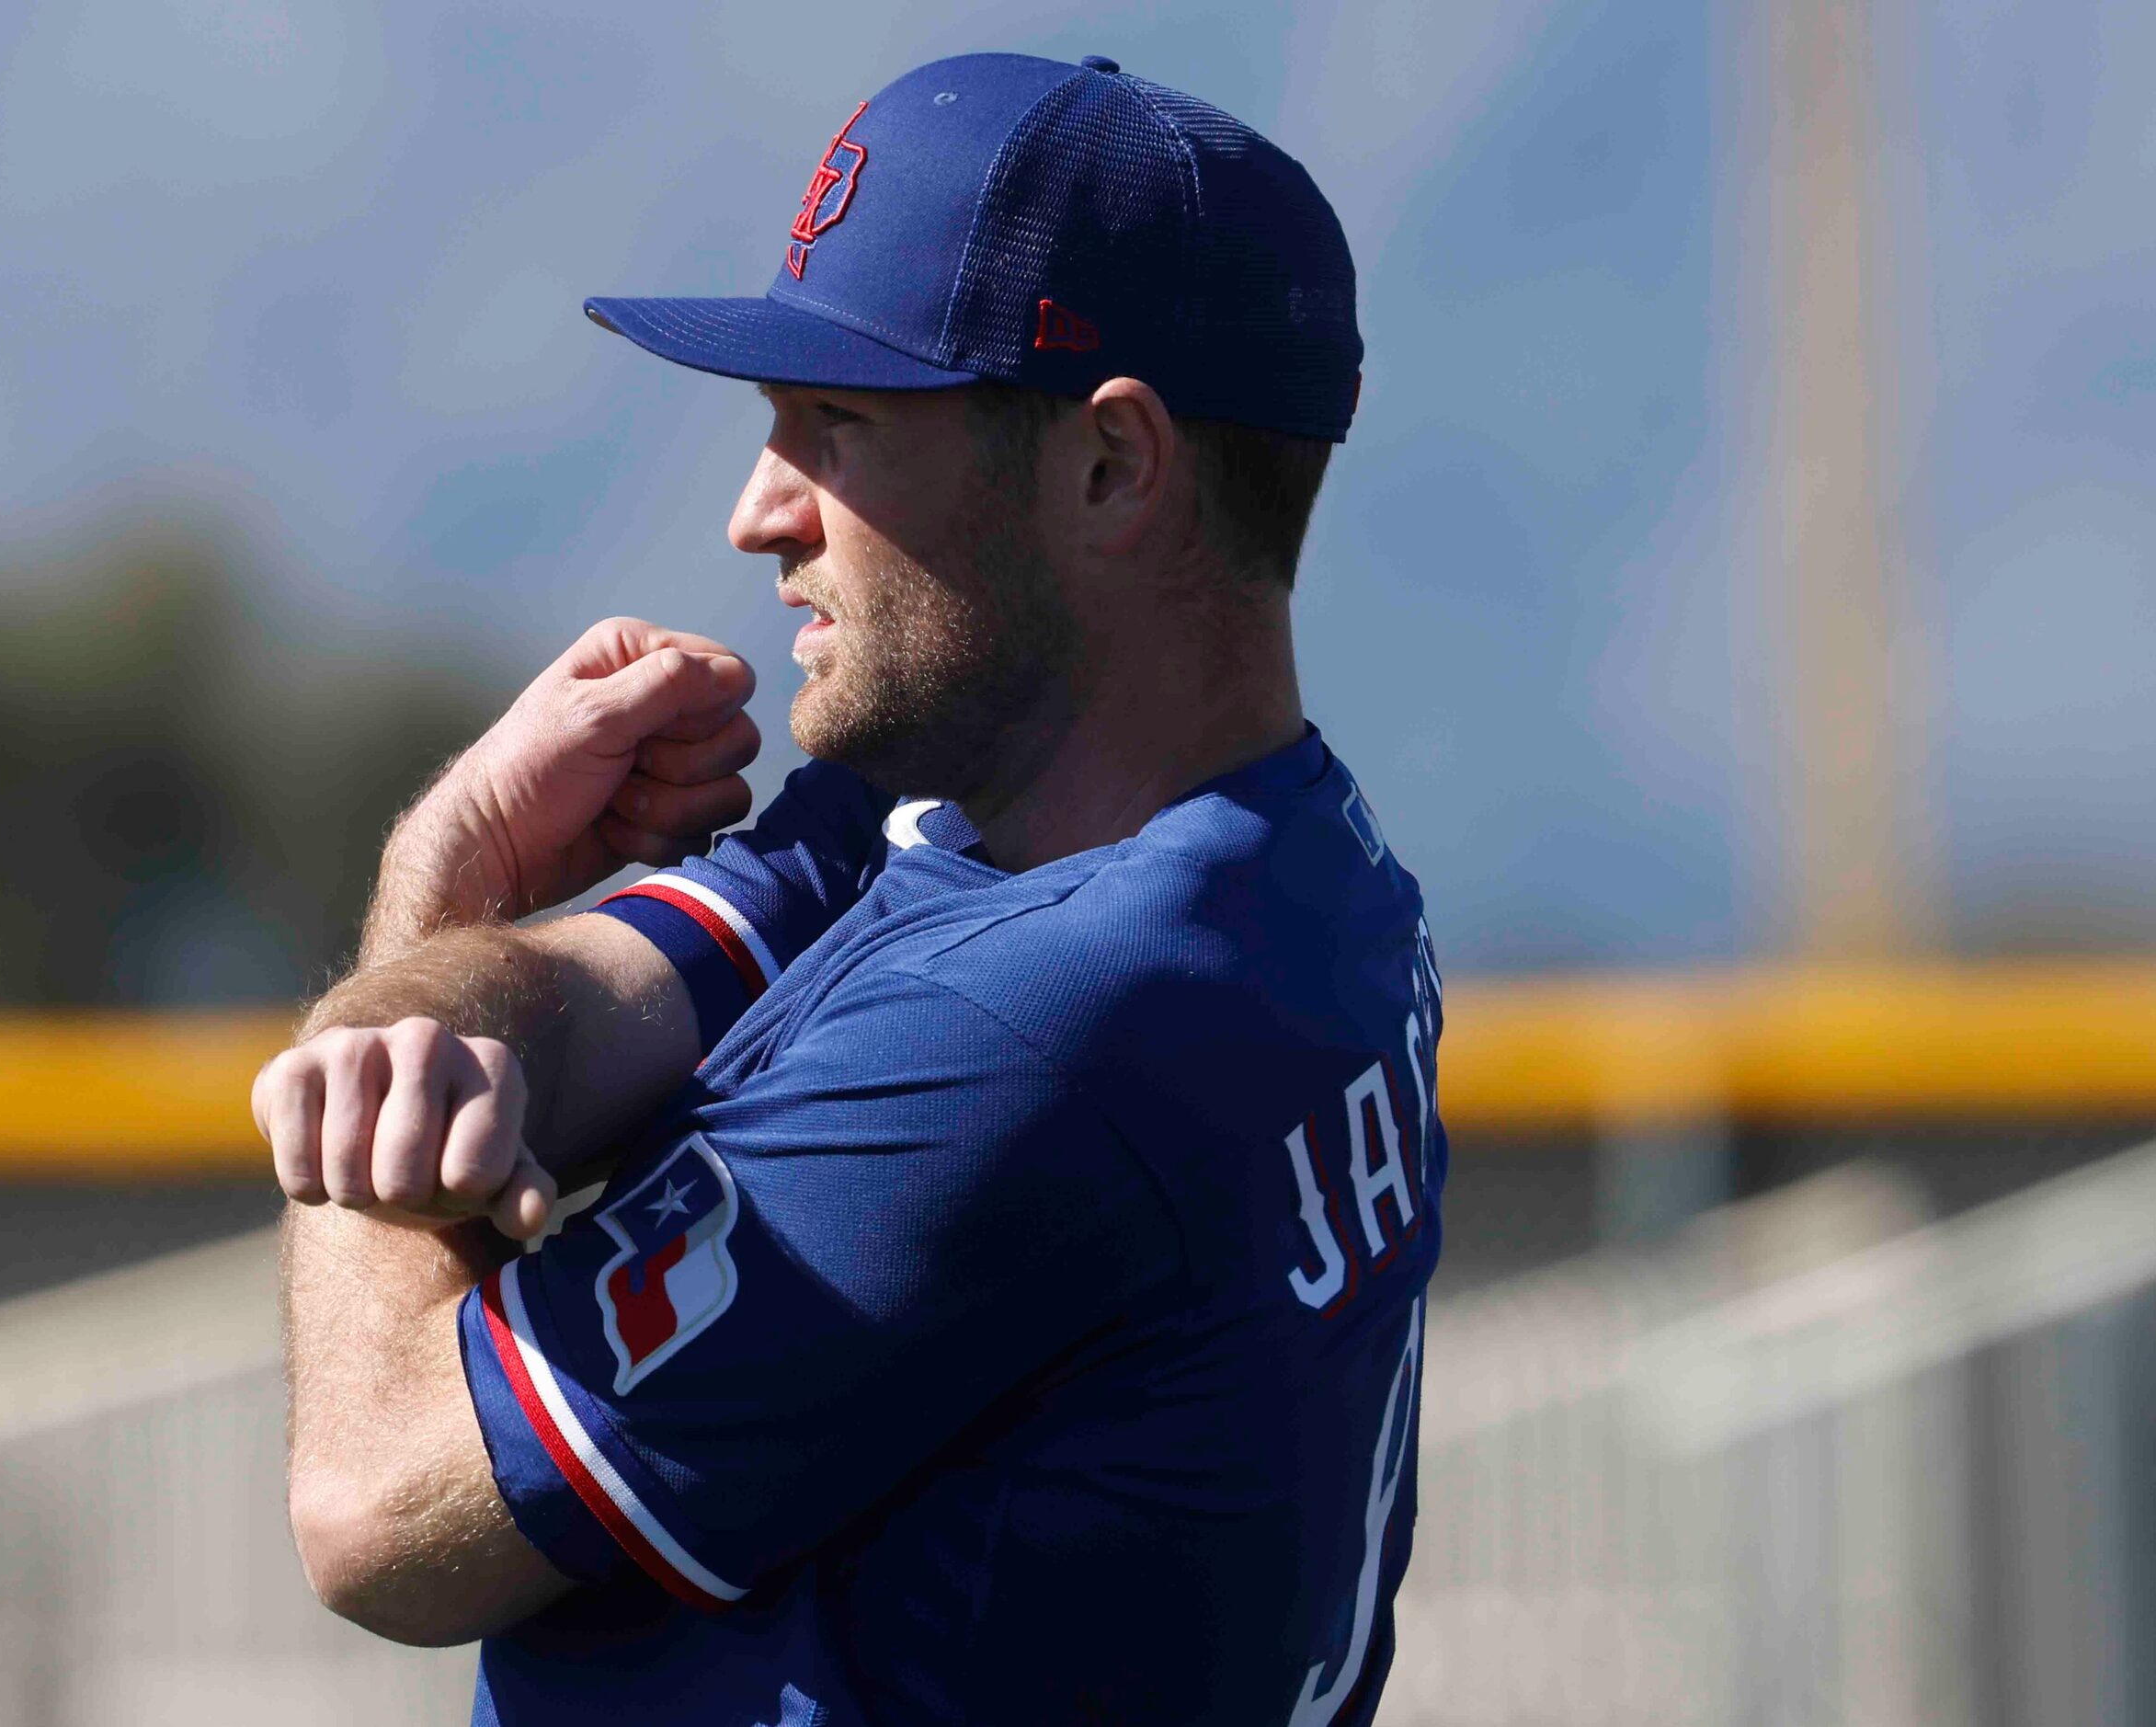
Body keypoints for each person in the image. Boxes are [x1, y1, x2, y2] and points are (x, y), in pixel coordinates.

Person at [254, 50, 1444, 1726]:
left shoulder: (1044, 1027)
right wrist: (446, 988)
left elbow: (376, 1512)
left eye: (844, 424)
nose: (759, 511)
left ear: (1112, 468)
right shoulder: (1233, 856)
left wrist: (418, 899)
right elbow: (603, 1005)